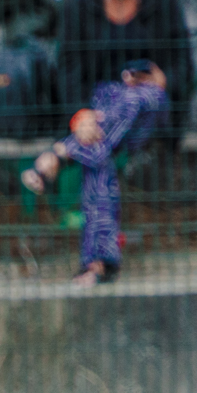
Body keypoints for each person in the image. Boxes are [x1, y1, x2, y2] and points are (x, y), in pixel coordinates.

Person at [22, 61, 168, 286]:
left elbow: (180, 68)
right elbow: (72, 74)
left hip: (149, 107)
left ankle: (58, 156)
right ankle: (101, 264)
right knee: (99, 160)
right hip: (106, 113)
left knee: (132, 99)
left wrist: (157, 79)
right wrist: (81, 116)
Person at [60, 0, 193, 138]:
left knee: (137, 99)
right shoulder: (78, 9)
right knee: (103, 120)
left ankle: (63, 151)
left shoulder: (165, 4)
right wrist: (81, 114)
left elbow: (184, 65)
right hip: (98, 107)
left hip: (151, 111)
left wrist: (162, 80)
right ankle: (89, 144)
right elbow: (68, 70)